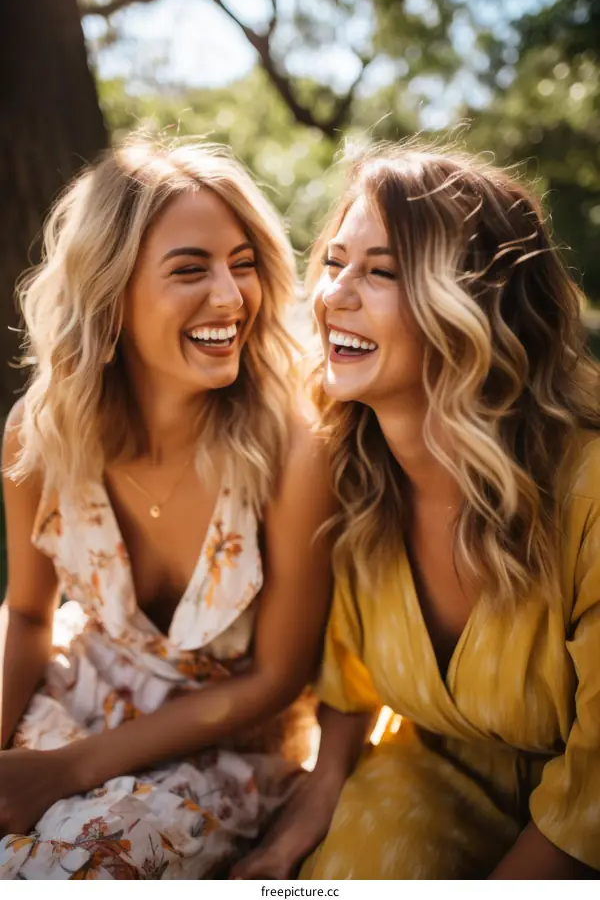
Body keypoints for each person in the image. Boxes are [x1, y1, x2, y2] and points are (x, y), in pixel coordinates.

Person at [232, 145, 600, 879]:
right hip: (432, 773)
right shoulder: (348, 477)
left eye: (380, 271)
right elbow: (345, 679)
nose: (334, 295)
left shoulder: (587, 495)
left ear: (476, 303)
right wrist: (318, 795)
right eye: (335, 263)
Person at [0, 138, 333, 879]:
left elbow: (276, 679)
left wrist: (63, 772)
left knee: (70, 869)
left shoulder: (294, 451)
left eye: (242, 264)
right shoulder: (40, 434)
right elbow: (26, 615)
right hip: (74, 687)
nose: (230, 296)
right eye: (191, 269)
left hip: (222, 747)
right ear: (109, 291)